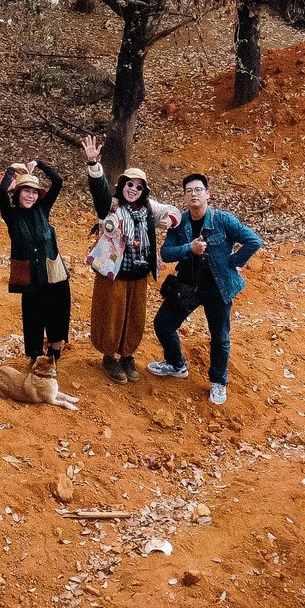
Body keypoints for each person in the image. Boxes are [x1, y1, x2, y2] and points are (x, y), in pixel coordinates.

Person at [148, 172, 263, 405]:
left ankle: (218, 382)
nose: (194, 194)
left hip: (218, 289)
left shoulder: (223, 220)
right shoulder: (179, 222)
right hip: (188, 286)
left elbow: (254, 241)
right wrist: (189, 248)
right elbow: (166, 253)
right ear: (184, 197)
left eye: (198, 190)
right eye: (189, 191)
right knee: (163, 324)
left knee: (220, 337)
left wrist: (233, 262)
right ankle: (176, 364)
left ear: (207, 194)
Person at [82, 134, 178, 385]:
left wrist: (170, 219)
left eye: (138, 186)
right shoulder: (112, 206)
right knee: (111, 314)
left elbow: (172, 210)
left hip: (139, 274)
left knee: (134, 316)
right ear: (122, 185)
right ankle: (108, 357)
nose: (133, 189)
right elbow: (99, 191)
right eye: (129, 184)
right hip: (113, 272)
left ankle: (127, 355)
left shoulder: (148, 208)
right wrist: (94, 163)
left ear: (143, 190)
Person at [0, 158, 69, 373]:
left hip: (53, 272)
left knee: (57, 311)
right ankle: (36, 356)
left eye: (34, 191)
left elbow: (58, 181)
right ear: (18, 193)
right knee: (33, 315)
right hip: (30, 276)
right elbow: (1, 193)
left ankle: (55, 351)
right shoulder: (12, 216)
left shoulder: (43, 209)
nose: (30, 195)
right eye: (26, 191)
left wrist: (40, 163)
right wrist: (12, 170)